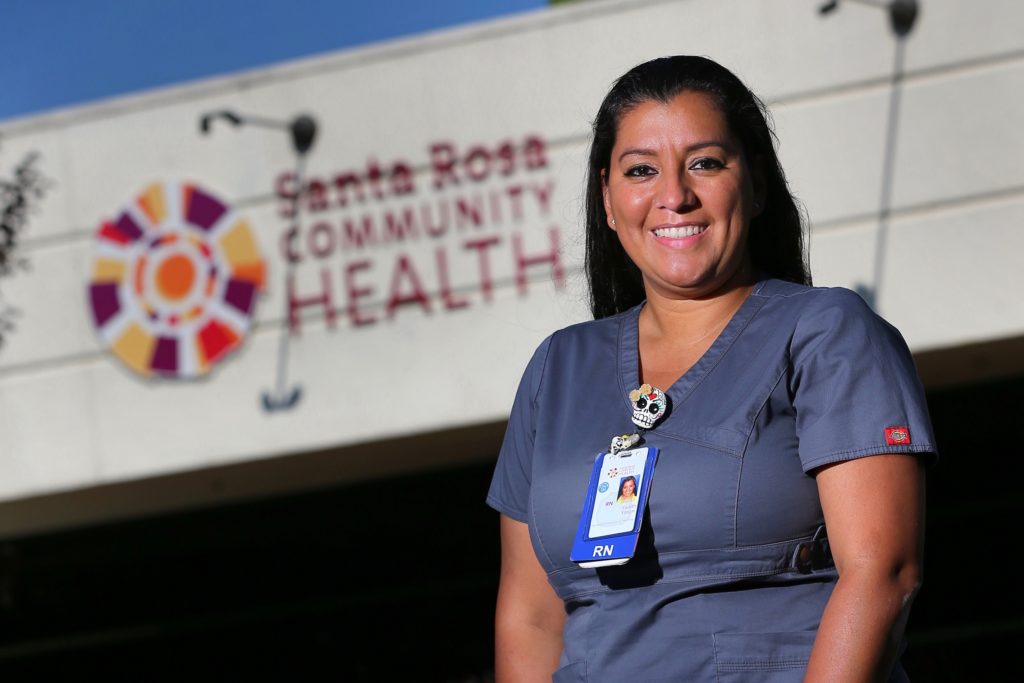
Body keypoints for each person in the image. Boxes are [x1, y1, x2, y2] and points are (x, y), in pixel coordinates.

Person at [487, 55, 935, 682]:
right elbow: (531, 618)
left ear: (754, 184)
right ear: (609, 202)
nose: (674, 196)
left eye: (705, 162)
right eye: (641, 170)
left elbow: (883, 572)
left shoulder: (825, 332)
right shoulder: (557, 368)